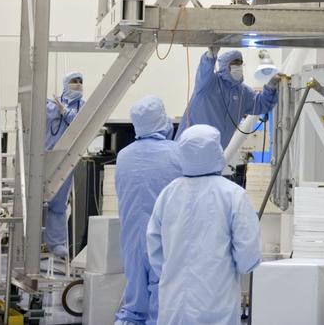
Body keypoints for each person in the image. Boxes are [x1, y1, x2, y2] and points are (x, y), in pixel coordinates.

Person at [147, 125, 261, 325]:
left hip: (173, 306)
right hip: (216, 305)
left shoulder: (168, 194)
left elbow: (155, 251)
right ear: (216, 151)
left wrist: (173, 271)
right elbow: (247, 257)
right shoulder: (233, 195)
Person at [114, 96, 183, 325]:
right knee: (161, 303)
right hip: (163, 239)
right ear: (161, 118)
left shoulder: (123, 156)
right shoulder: (177, 153)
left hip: (132, 239)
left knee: (134, 304)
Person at [176, 48, 277, 149]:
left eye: (240, 63)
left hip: (213, 153)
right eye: (234, 64)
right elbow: (204, 71)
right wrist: (210, 56)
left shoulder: (242, 92)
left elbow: (261, 104)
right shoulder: (209, 83)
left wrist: (270, 87)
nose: (238, 67)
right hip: (188, 148)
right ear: (224, 66)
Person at [43, 71, 83, 259]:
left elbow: (80, 123)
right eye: (74, 81)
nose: (78, 84)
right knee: (37, 201)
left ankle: (56, 244)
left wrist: (65, 112)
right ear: (66, 83)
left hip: (67, 159)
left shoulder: (83, 106)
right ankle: (32, 241)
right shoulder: (50, 105)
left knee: (58, 203)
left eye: (81, 82)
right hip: (46, 157)